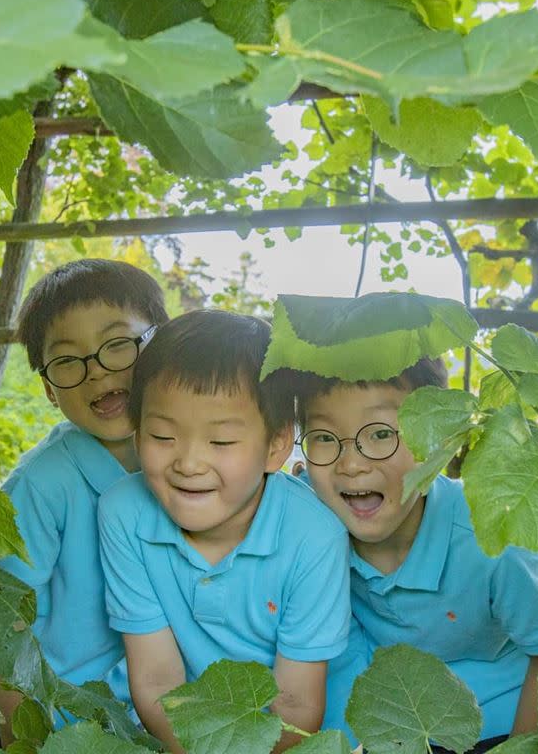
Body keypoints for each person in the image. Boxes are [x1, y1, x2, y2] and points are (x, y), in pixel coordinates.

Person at [98, 310, 355, 753]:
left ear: (276, 445)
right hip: (174, 731)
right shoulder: (123, 513)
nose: (189, 463)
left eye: (220, 442)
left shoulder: (314, 537)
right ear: (137, 433)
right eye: (162, 436)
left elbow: (296, 708)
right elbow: (157, 678)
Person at [295, 358, 538, 753]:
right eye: (324, 437)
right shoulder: (312, 522)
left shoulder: (491, 538)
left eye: (382, 432)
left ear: (438, 443)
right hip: (393, 719)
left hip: (494, 721)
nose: (350, 464)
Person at [0, 258, 169, 741]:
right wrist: (22, 741)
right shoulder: (44, 484)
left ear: (159, 345)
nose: (96, 371)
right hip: (63, 725)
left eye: (117, 344)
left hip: (157, 714)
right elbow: (1, 625)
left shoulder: (186, 466)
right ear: (49, 387)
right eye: (68, 360)